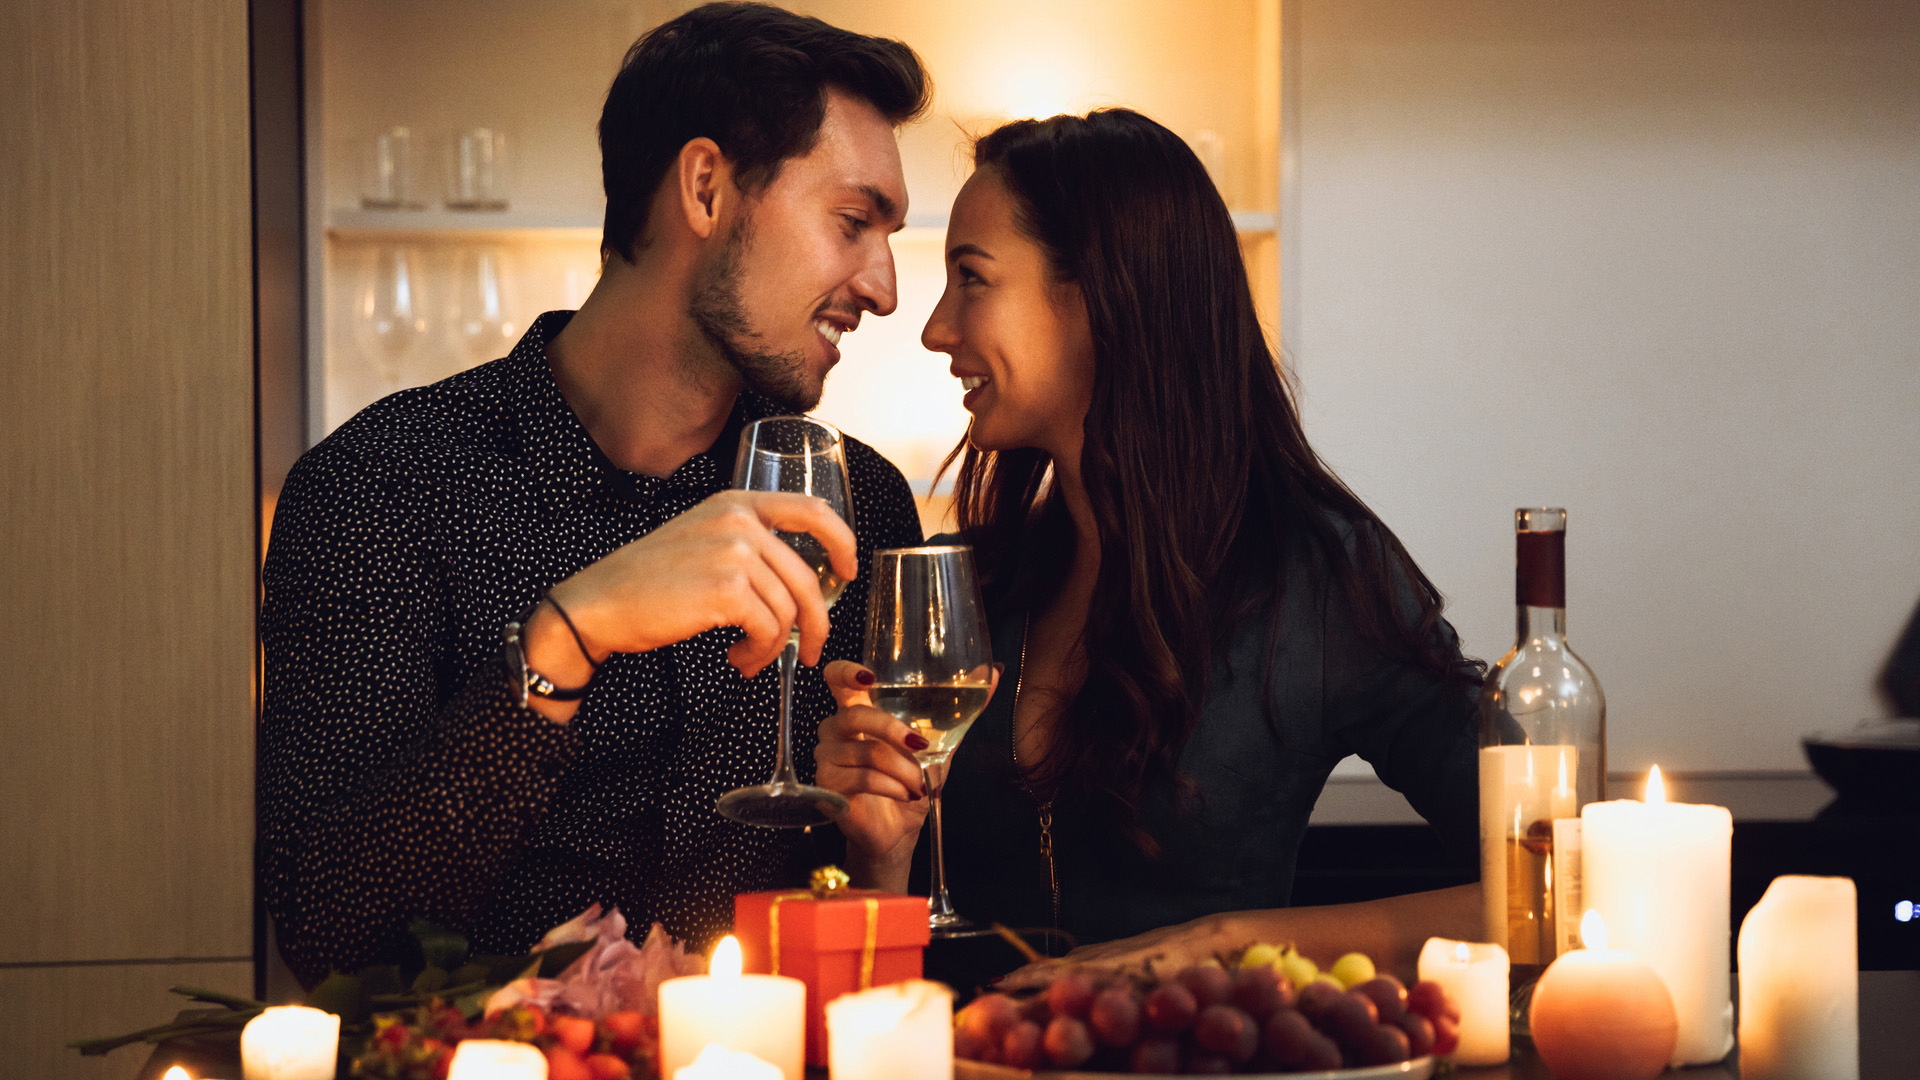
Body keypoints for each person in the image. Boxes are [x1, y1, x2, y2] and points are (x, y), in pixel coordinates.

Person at [261, 2, 930, 987]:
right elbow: (329, 933)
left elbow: (858, 954)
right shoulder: (381, 486)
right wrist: (564, 643)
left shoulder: (857, 506)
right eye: (851, 222)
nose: (883, 287)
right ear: (705, 187)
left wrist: (878, 855)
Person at [816, 108, 1486, 982]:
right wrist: (875, 856)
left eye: (971, 279)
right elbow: (884, 978)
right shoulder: (979, 583)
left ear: (1102, 296)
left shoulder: (1320, 578)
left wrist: (1217, 947)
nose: (937, 328)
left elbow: (1563, 885)